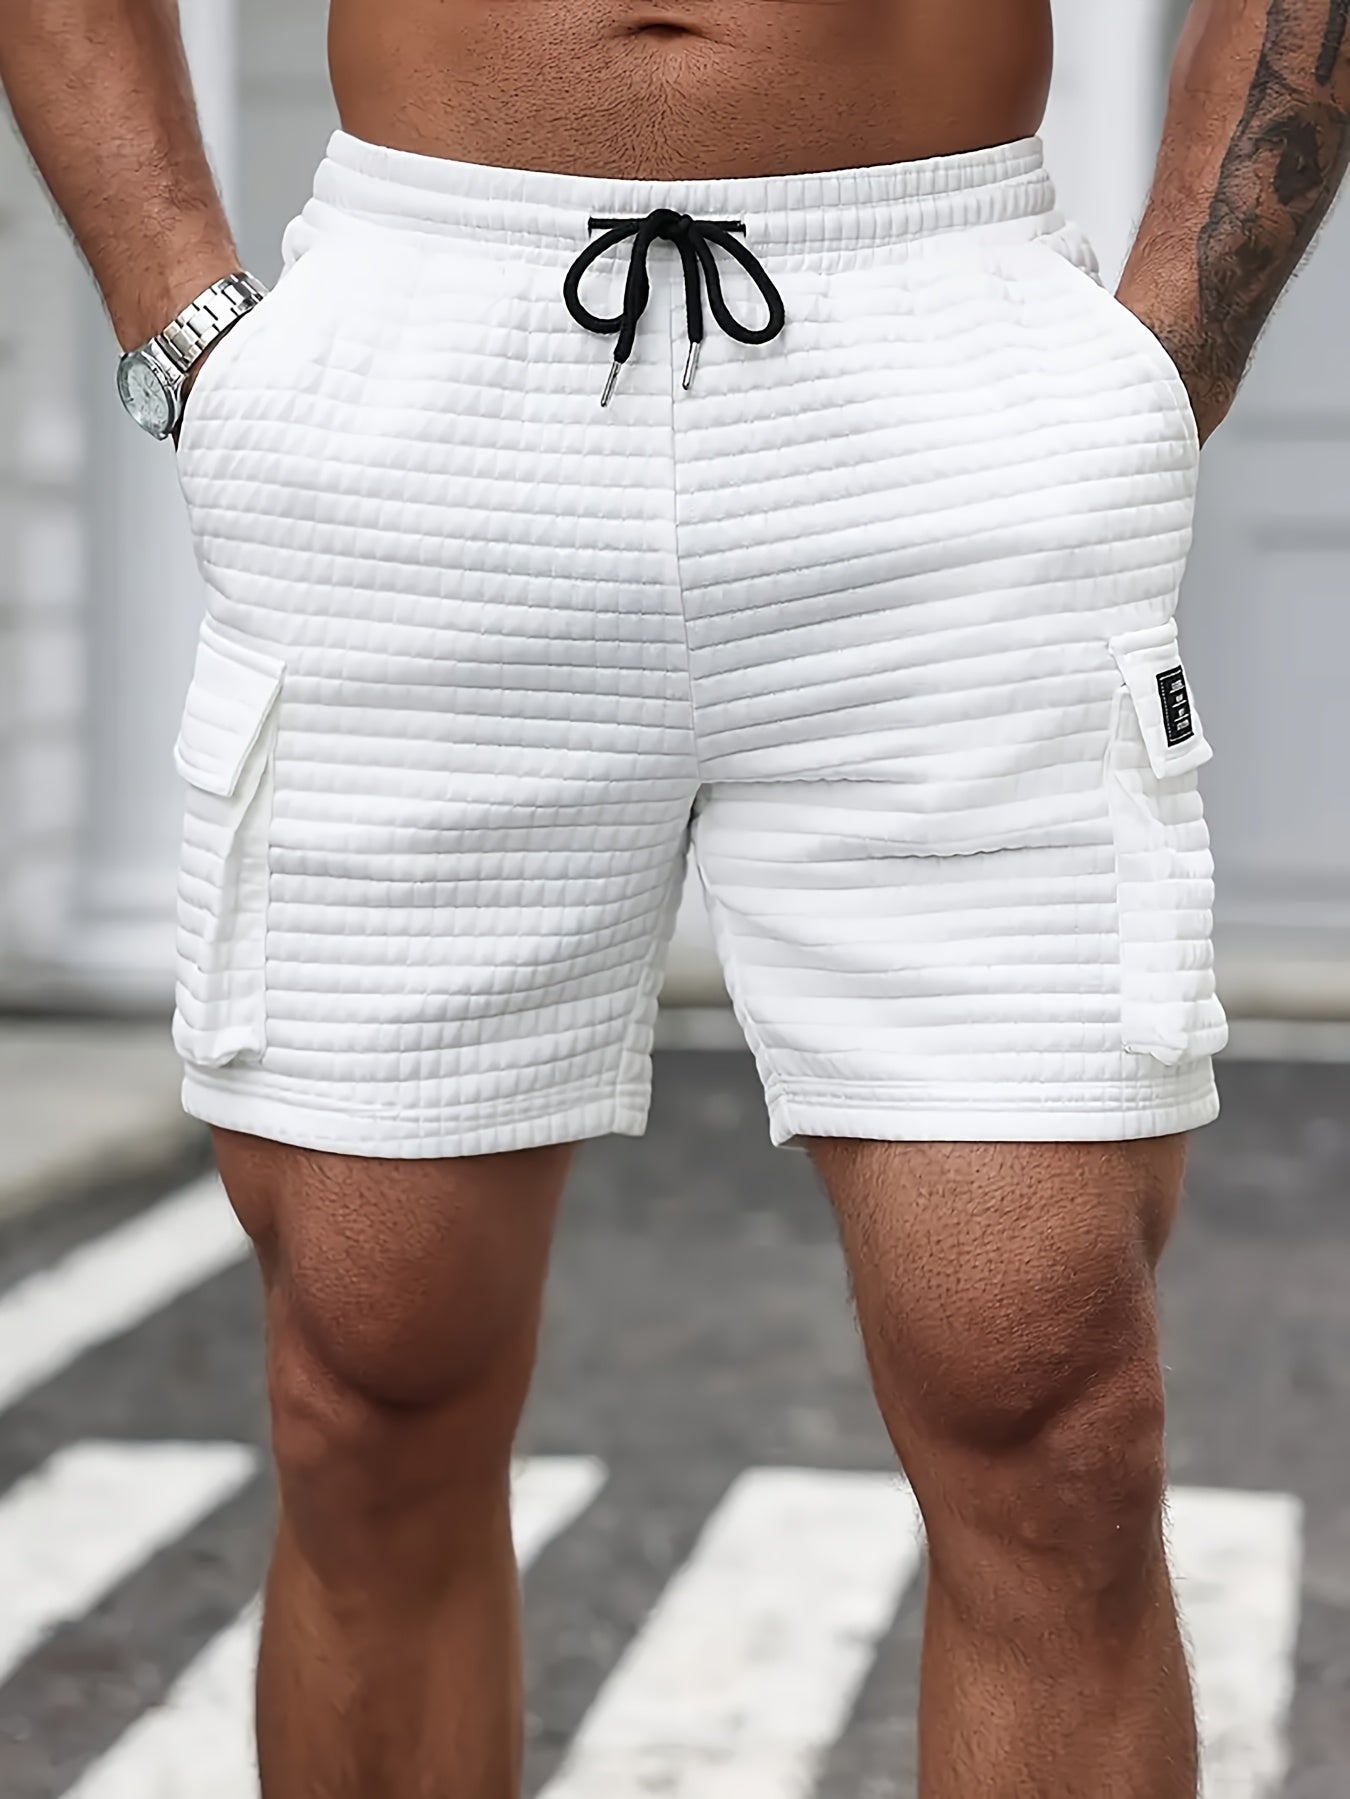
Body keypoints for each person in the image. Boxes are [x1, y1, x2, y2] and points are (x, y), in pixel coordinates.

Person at [2, 1, 1345, 1793]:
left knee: (1052, 1413)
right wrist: (184, 317)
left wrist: (1169, 343)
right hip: (422, 380)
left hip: (937, 371)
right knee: (362, 1389)